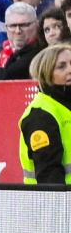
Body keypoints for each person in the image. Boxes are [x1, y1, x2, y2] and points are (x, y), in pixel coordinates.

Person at [19, 44, 71, 185]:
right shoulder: (40, 115)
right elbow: (49, 174)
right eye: (61, 67)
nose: (70, 69)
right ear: (46, 73)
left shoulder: (65, 104)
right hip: (58, 203)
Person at [0, 2, 45, 81]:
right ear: (6, 27)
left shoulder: (42, 52)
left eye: (24, 25)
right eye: (13, 26)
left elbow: (6, 76)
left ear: (37, 25)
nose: (18, 31)